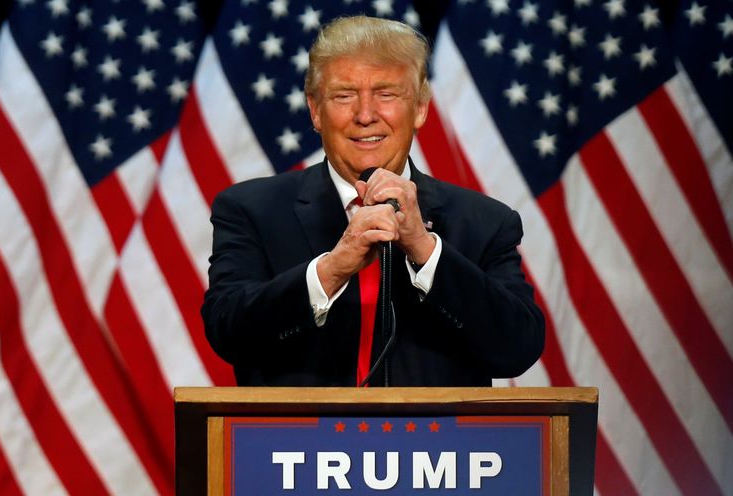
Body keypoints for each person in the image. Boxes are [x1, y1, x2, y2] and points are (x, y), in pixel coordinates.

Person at [202, 15, 544, 386]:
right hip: (296, 441)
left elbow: (517, 348)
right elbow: (227, 332)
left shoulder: (485, 222)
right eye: (344, 95)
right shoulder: (250, 210)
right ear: (315, 110)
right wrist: (331, 271)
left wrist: (425, 250)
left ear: (420, 108)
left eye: (386, 94)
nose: (365, 116)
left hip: (434, 443)